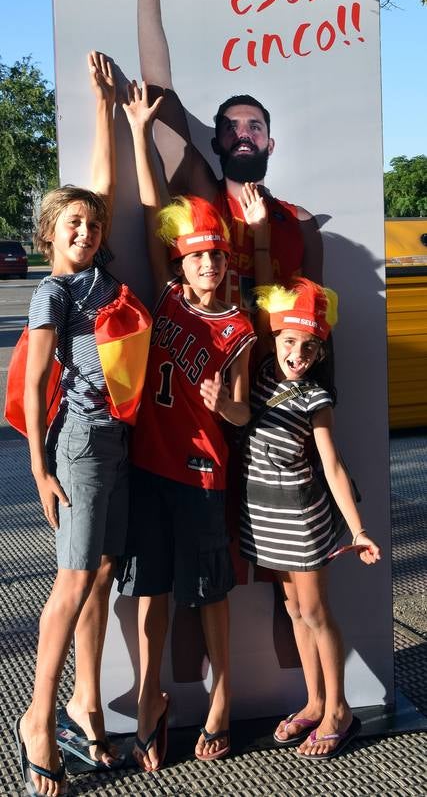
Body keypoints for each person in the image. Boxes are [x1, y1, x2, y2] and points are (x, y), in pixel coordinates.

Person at [117, 79, 257, 769]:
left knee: (209, 595)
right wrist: (140, 133)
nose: (203, 263)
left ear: (226, 263)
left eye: (214, 255)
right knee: (150, 592)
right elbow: (149, 214)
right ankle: (150, 702)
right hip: (148, 467)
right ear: (183, 259)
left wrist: (219, 399)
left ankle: (223, 700)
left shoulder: (239, 327)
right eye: (195, 254)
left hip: (202, 475)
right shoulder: (168, 298)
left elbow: (239, 411)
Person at [14, 53, 128, 797]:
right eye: (72, 224)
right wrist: (36, 464)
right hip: (80, 444)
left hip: (119, 439)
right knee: (71, 582)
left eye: (90, 223)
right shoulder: (53, 293)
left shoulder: (102, 269)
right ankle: (34, 717)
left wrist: (105, 108)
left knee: (104, 576)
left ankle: (87, 703)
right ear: (51, 234)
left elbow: (104, 186)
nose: (84, 229)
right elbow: (32, 383)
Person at [128, 0, 323, 314]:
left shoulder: (300, 222)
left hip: (274, 377)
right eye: (231, 127)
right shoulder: (203, 196)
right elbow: (160, 92)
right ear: (216, 144)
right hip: (210, 374)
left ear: (270, 144)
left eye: (254, 126)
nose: (243, 133)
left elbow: (319, 321)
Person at [240, 277, 382, 759]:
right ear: (274, 339)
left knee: (316, 613)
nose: (297, 353)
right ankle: (315, 699)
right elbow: (261, 306)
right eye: (289, 342)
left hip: (301, 521)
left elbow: (333, 465)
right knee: (295, 611)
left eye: (308, 346)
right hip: (264, 517)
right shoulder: (260, 372)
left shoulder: (315, 399)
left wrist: (359, 529)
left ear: (320, 352)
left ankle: (338, 710)